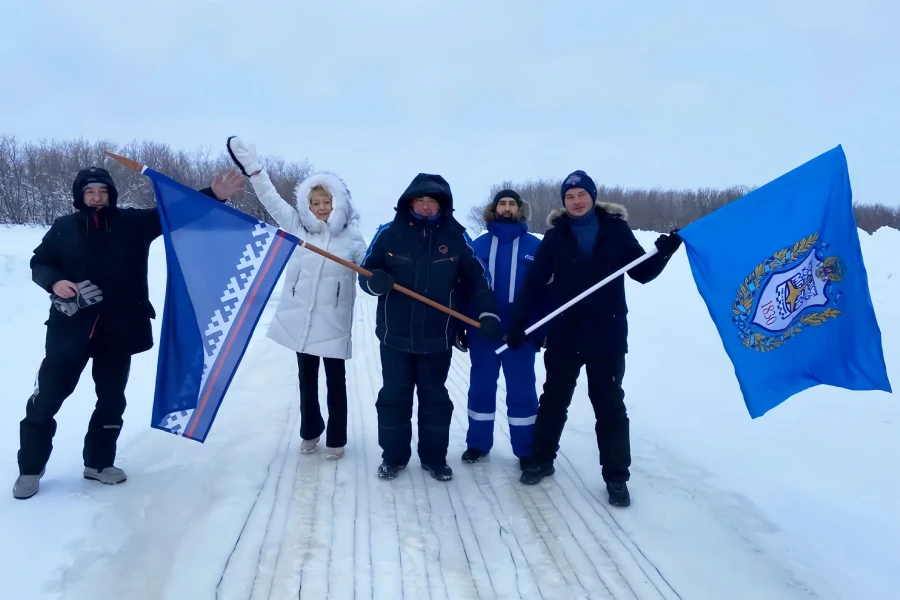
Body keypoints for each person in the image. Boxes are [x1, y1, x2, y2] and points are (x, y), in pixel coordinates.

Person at [13, 166, 240, 500]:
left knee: (111, 401)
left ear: (111, 194)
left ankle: (99, 463)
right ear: (80, 196)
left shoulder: (132, 224)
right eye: (90, 193)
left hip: (118, 331)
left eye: (102, 192)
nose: (96, 198)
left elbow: (172, 213)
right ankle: (30, 468)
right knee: (46, 400)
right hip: (69, 330)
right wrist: (55, 281)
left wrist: (213, 195)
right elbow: (40, 262)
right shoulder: (63, 228)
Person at [505, 170, 683, 508]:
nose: (576, 201)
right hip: (565, 331)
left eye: (581, 195)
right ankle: (542, 460)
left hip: (607, 333)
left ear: (592, 196)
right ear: (564, 202)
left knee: (609, 404)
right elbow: (534, 284)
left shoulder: (615, 230)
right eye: (569, 197)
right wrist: (518, 324)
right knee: (554, 398)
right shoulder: (556, 237)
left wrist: (663, 252)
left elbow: (641, 273)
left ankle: (616, 476)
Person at [226, 136, 366, 459]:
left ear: (337, 204)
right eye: (315, 203)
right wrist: (255, 171)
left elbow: (370, 267)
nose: (321, 208)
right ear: (307, 205)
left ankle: (337, 439)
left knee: (335, 383)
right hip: (301, 320)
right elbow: (272, 201)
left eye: (326, 202)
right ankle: (310, 432)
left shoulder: (352, 239)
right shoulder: (298, 228)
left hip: (333, 320)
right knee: (307, 381)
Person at [358, 173, 504, 482]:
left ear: (443, 205)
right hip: (394, 335)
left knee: (435, 399)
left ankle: (434, 458)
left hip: (438, 337)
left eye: (432, 201)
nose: (425, 206)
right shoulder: (388, 234)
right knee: (394, 398)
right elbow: (365, 274)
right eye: (420, 200)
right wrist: (375, 282)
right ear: (409, 202)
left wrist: (488, 313)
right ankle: (394, 457)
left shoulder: (457, 237)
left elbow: (478, 281)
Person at [461, 189, 545, 468]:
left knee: (522, 392)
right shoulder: (477, 245)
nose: (507, 208)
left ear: (520, 209)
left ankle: (526, 449)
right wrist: (463, 324)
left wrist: (541, 328)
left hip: (521, 333)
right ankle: (477, 444)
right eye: (502, 204)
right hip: (483, 329)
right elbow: (463, 288)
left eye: (512, 204)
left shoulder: (536, 247)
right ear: (494, 209)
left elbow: (546, 292)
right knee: (481, 388)